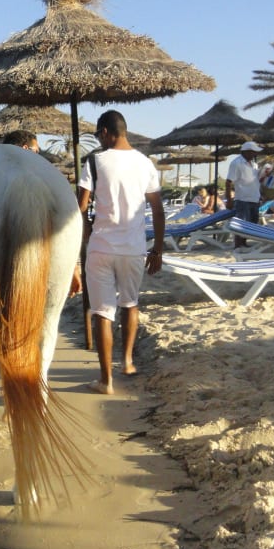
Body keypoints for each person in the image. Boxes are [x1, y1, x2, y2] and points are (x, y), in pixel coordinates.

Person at [77, 110, 164, 395]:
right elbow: (157, 209)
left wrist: (86, 230)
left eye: (97, 136)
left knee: (102, 313)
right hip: (134, 248)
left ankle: (106, 381)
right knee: (130, 304)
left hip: (101, 248)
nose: (98, 141)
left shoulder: (95, 161)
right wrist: (158, 249)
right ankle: (126, 361)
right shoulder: (146, 163)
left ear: (105, 132)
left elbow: (80, 207)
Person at [225, 141, 263, 248]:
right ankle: (238, 245)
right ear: (246, 151)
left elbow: (256, 181)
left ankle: (244, 243)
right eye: (253, 152)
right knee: (241, 224)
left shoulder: (254, 165)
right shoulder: (236, 163)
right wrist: (229, 200)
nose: (255, 154)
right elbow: (228, 182)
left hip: (254, 198)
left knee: (251, 223)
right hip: (242, 199)